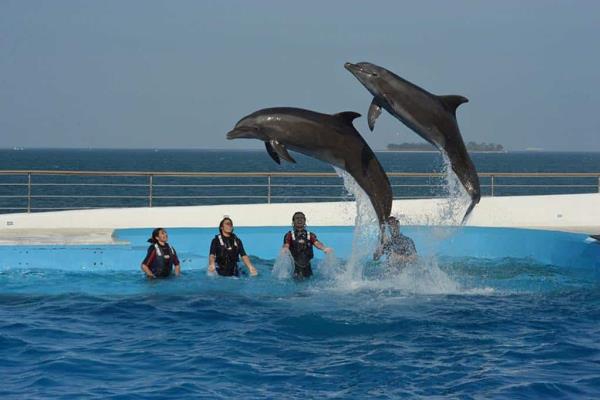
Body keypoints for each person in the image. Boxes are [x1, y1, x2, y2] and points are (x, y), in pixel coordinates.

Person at [282, 211, 332, 279]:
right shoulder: (289, 235)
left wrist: (324, 248)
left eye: (302, 218)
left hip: (308, 268)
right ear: (293, 222)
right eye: (297, 218)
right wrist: (285, 249)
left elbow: (317, 243)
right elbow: (286, 244)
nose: (299, 220)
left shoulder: (310, 235)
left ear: (305, 221)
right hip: (295, 268)